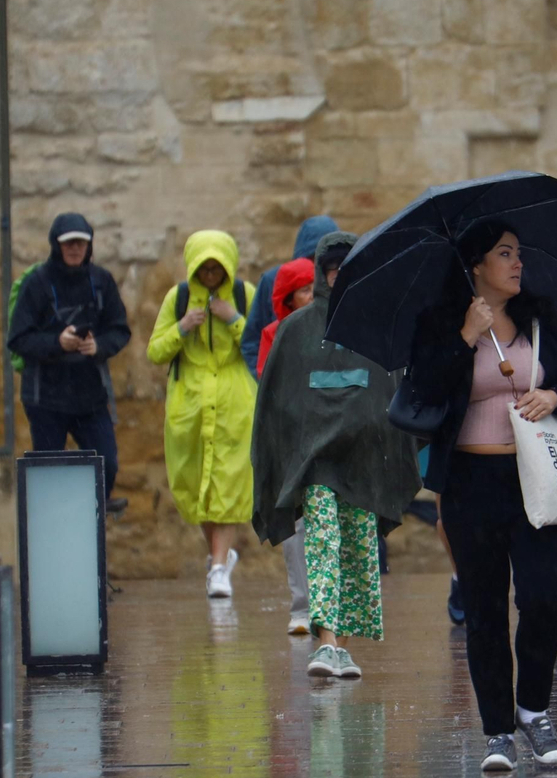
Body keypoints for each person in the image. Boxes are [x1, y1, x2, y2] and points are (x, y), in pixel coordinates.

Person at [409, 222, 557, 773]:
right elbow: (425, 393)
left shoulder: (540, 319)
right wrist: (465, 336)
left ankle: (534, 711)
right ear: (476, 266)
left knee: (542, 598)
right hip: (469, 484)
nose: (517, 263)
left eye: (518, 253)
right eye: (504, 254)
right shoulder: (444, 323)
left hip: (532, 480)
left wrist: (555, 394)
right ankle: (497, 731)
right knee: (485, 607)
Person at [252, 232, 419, 677]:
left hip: (364, 460)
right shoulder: (297, 330)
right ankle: (325, 644)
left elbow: (394, 392)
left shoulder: (378, 330)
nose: (339, 276)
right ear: (321, 273)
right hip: (317, 463)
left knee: (359, 551)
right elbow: (278, 399)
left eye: (348, 268)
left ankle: (341, 648)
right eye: (332, 269)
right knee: (323, 544)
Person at [147, 229, 257, 599]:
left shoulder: (245, 295)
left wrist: (233, 318)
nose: (211, 276)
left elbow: (262, 342)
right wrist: (182, 327)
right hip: (189, 406)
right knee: (196, 489)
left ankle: (218, 568)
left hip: (234, 406)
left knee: (227, 483)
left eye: (217, 269)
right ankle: (220, 556)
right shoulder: (177, 299)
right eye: (204, 269)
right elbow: (155, 351)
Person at [7, 213, 133, 510]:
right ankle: (56, 525)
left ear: (89, 246)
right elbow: (18, 339)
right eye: (68, 243)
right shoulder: (37, 284)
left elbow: (120, 329)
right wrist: (56, 343)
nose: (75, 249)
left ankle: (89, 521)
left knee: (108, 465)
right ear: (56, 245)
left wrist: (98, 345)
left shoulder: (102, 282)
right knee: (49, 474)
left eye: (81, 243)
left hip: (90, 398)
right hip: (45, 399)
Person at [259, 256, 317, 632]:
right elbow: (268, 381)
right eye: (305, 290)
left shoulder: (335, 328)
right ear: (289, 298)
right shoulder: (274, 334)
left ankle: (329, 604)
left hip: (328, 435)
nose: (313, 296)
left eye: (316, 287)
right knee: (296, 526)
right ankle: (301, 606)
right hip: (291, 438)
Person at [242, 215, 337, 379]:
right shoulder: (272, 280)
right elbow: (252, 340)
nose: (318, 265)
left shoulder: (339, 280)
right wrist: (266, 382)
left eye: (328, 258)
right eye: (313, 256)